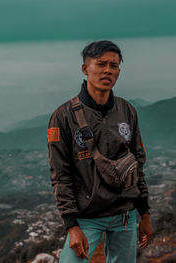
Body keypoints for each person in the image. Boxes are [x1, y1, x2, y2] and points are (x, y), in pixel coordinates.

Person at [47, 40, 152, 262]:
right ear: (85, 69)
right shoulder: (63, 116)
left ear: (119, 71)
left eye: (113, 66)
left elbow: (137, 164)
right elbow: (61, 175)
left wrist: (144, 213)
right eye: (101, 64)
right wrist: (71, 225)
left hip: (125, 215)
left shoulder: (126, 111)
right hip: (87, 218)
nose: (107, 70)